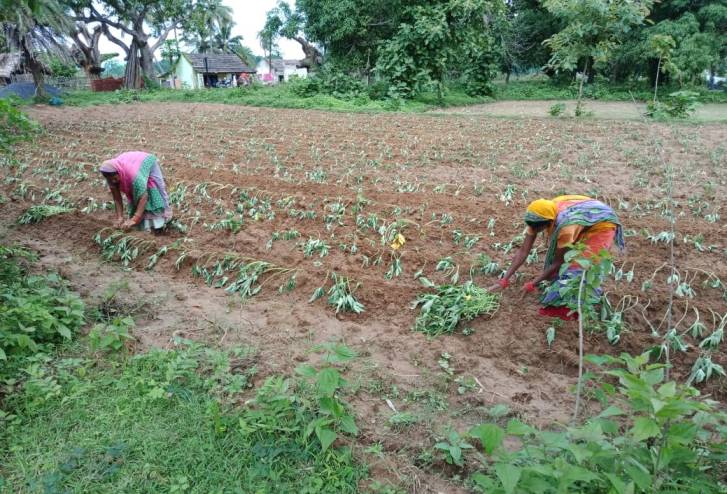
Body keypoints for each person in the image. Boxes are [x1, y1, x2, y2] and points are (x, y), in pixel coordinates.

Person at [490, 195, 624, 319]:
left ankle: (580, 304)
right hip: (583, 219)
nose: (534, 231)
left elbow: (558, 262)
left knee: (579, 267)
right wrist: (504, 279)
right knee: (563, 266)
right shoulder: (539, 216)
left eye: (538, 229)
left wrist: (532, 284)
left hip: (601, 224)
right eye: (532, 228)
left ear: (549, 223)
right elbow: (523, 251)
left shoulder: (565, 227)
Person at [99, 151, 172, 232]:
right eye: (110, 180)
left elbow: (144, 197)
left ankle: (164, 219)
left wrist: (134, 220)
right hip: (130, 162)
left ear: (119, 172)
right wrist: (120, 218)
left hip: (146, 161)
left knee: (156, 189)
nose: (113, 181)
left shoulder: (134, 176)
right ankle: (142, 224)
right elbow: (117, 199)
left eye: (115, 178)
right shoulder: (111, 177)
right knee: (135, 195)